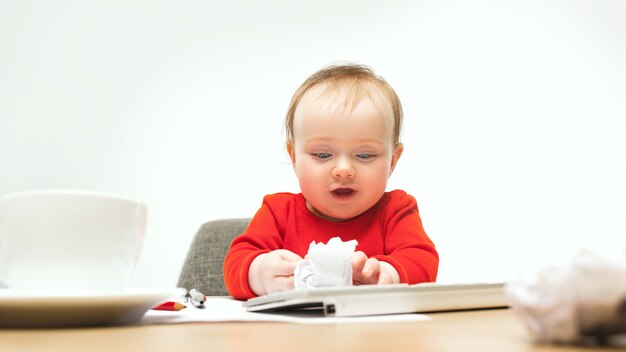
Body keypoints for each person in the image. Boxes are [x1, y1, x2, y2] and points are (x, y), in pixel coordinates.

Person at [224, 64, 438, 300]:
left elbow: (423, 261)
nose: (344, 170)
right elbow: (236, 262)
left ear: (392, 162)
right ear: (294, 158)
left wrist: (389, 274)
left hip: (376, 335)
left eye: (365, 155)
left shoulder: (396, 210)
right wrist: (260, 273)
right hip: (293, 334)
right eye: (323, 155)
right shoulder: (278, 212)